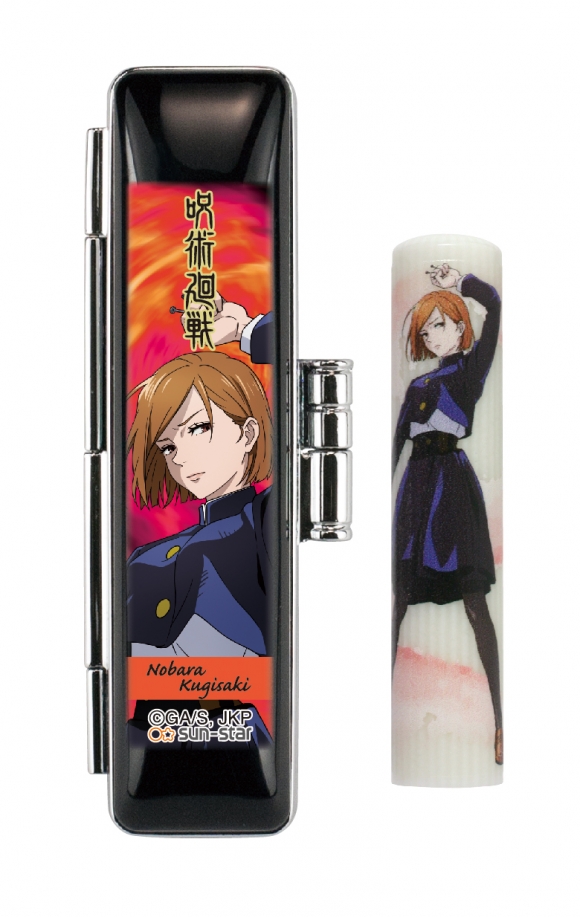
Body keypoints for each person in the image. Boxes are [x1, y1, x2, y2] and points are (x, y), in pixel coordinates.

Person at [392, 264, 503, 765]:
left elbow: (494, 305)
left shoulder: (470, 373)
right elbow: (394, 446)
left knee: (473, 599)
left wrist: (460, 284)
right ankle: (392, 728)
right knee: (398, 598)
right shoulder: (417, 388)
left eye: (441, 324)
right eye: (426, 329)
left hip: (453, 490)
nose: (433, 335)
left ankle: (498, 724)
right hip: (416, 491)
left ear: (460, 326)